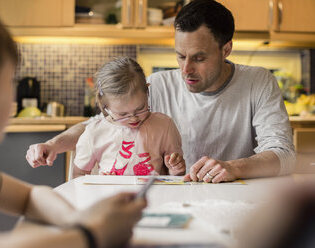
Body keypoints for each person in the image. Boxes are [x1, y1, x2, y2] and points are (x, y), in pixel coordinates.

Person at [0, 2, 146, 248]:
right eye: (10, 82)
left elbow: (30, 196)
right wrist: (94, 232)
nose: (14, 95)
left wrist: (79, 219)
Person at [26, 0, 295, 183]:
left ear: (226, 50)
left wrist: (233, 167)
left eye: (199, 58)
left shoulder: (258, 82)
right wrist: (52, 145)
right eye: (180, 56)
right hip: (174, 194)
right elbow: (98, 125)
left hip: (235, 195)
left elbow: (284, 155)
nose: (185, 69)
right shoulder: (160, 83)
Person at [73, 57, 185, 177]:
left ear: (147, 91)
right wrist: (100, 184)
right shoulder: (94, 132)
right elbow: (79, 175)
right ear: (105, 106)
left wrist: (176, 169)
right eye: (122, 114)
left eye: (140, 109)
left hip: (153, 195)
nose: (133, 118)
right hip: (112, 195)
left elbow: (176, 177)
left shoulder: (164, 125)